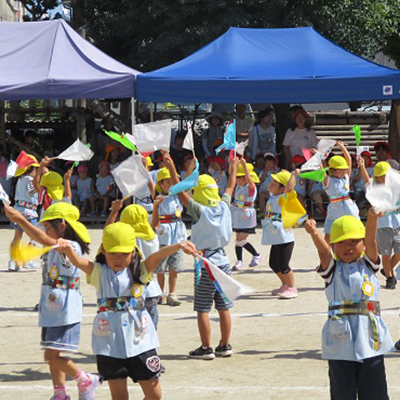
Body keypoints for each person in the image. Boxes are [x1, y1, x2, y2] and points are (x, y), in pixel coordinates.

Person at [56, 221, 198, 400]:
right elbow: (78, 261)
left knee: (155, 395)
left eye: (124, 253)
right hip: (109, 343)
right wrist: (67, 249)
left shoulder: (141, 270)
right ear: (103, 251)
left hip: (141, 341)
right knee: (119, 397)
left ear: (133, 252)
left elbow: (158, 255)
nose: (118, 258)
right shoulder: (98, 272)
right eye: (112, 253)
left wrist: (179, 245)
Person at [4, 202, 100, 400]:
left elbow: (43, 239)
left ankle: (85, 379)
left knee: (52, 356)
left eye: (48, 226)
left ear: (62, 225)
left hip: (64, 308)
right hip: (52, 306)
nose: (46, 231)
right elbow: (44, 240)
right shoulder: (57, 245)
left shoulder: (70, 246)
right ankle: (60, 393)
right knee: (52, 354)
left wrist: (20, 220)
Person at [305, 213, 393, 400]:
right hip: (340, 344)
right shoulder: (332, 270)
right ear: (334, 246)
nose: (348, 247)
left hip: (370, 341)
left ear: (362, 244)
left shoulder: (369, 266)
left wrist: (373, 218)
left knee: (374, 392)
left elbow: (372, 241)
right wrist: (314, 233)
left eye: (354, 241)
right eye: (341, 242)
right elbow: (323, 253)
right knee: (342, 393)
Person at [164, 153, 238, 359]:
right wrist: (233, 167)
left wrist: (171, 168)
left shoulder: (199, 210)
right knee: (224, 307)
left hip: (205, 263)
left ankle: (206, 348)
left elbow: (180, 193)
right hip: (223, 262)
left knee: (203, 308)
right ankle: (225, 345)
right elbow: (230, 186)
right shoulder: (224, 205)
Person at [359, 159, 400, 290]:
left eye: (386, 175)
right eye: (381, 175)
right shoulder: (374, 187)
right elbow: (366, 180)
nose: (384, 178)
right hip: (382, 223)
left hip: (398, 221)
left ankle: (388, 269)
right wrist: (362, 166)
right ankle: (389, 277)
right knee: (386, 253)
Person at [151, 165, 187, 306]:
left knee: (174, 267)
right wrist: (155, 206)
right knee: (161, 268)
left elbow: (186, 182)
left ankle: (172, 293)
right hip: (163, 237)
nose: (171, 184)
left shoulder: (179, 196)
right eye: (168, 181)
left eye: (173, 181)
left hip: (177, 236)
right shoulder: (159, 199)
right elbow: (154, 223)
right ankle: (161, 293)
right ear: (160, 183)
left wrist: (190, 166)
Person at [261, 170, 299, 299]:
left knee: (283, 265)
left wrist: (292, 176)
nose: (270, 185)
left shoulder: (284, 198)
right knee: (273, 263)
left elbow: (289, 188)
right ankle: (285, 284)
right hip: (275, 237)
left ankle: (292, 287)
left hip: (285, 238)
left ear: (282, 189)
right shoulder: (272, 197)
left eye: (274, 183)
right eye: (271, 182)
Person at [323, 142, 360, 244]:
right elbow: (321, 169)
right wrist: (318, 156)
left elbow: (348, 160)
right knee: (328, 236)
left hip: (349, 208)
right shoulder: (328, 180)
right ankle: (325, 257)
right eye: (341, 169)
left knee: (356, 231)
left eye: (345, 169)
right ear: (333, 170)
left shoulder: (346, 177)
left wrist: (342, 147)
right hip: (334, 210)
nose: (344, 171)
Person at [8, 153, 40, 271]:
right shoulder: (30, 180)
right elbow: (32, 193)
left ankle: (13, 261)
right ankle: (27, 260)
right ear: (30, 169)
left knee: (17, 237)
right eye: (35, 169)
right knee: (35, 236)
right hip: (28, 211)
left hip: (19, 210)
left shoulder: (20, 179)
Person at [231, 160, 262, 270]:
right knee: (237, 240)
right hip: (238, 214)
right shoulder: (238, 187)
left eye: (241, 177)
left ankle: (256, 255)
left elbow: (250, 181)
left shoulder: (250, 187)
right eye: (237, 178)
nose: (238, 180)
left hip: (247, 214)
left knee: (241, 240)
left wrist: (244, 165)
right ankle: (239, 261)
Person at [258, 153, 280, 219]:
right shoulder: (262, 172)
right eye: (267, 163)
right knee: (262, 196)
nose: (269, 165)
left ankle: (274, 212)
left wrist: (273, 172)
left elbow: (277, 181)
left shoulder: (277, 172)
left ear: (274, 164)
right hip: (264, 190)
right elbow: (259, 181)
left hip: (273, 191)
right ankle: (262, 211)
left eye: (271, 163)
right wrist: (265, 173)